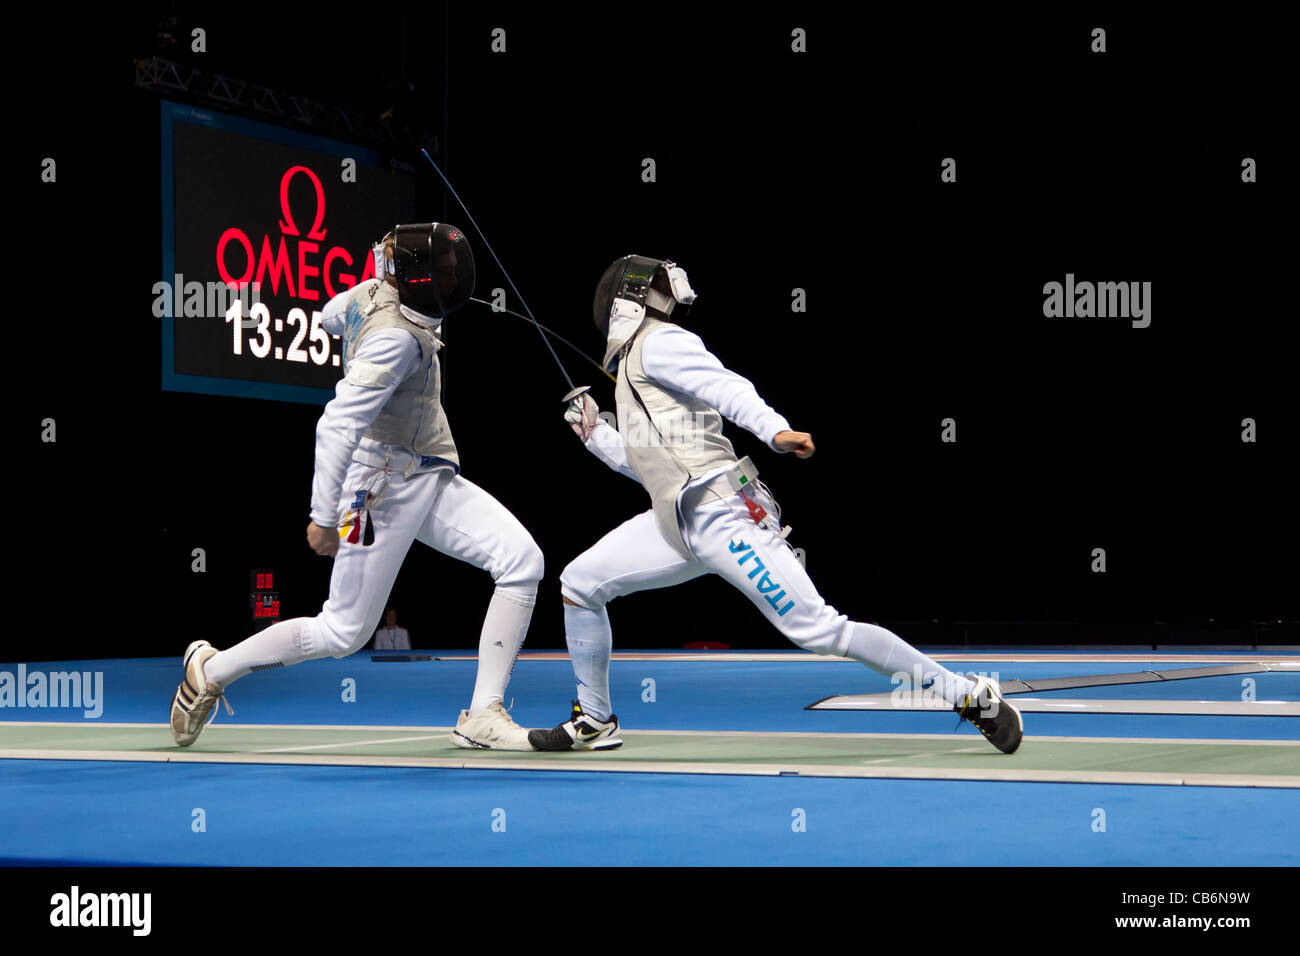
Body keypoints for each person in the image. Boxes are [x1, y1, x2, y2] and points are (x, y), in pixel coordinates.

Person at [529, 255, 1023, 754]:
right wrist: (597, 434)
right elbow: (650, 465)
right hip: (674, 521)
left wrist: (773, 429)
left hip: (724, 514)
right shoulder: (637, 366)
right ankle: (594, 720)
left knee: (821, 630)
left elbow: (726, 386)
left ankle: (970, 697)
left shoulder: (661, 344)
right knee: (579, 584)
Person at [170, 224, 542, 751]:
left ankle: (483, 713)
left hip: (424, 471)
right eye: (441, 270)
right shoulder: (395, 340)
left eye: (451, 268)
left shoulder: (369, 294)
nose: (452, 277)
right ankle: (211, 670)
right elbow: (337, 425)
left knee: (521, 560)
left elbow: (326, 314)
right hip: (372, 488)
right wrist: (324, 518)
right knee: (343, 632)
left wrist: (360, 309)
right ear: (411, 277)